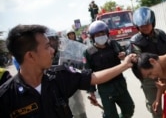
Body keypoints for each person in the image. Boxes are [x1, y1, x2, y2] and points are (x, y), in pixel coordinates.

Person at [0, 24, 136, 118]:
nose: (53, 51)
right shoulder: (6, 97)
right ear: (30, 55)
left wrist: (124, 65)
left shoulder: (60, 76)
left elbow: (93, 77)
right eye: (47, 47)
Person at [127, 6, 166, 118]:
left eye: (147, 24)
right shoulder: (135, 41)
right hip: (149, 78)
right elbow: (138, 61)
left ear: (153, 22)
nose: (145, 27)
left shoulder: (162, 35)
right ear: (137, 27)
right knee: (155, 107)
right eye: (142, 26)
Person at [84, 20, 135, 118]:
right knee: (111, 116)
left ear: (107, 33)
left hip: (120, 85)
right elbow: (88, 73)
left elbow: (124, 54)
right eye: (97, 34)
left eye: (102, 33)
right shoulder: (89, 52)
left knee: (129, 109)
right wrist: (92, 93)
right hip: (105, 89)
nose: (100, 36)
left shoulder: (113, 44)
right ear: (92, 37)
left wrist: (124, 55)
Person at [136, 52, 166, 118]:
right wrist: (157, 99)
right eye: (148, 76)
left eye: (150, 73)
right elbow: (161, 85)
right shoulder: (158, 68)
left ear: (152, 61)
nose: (152, 77)